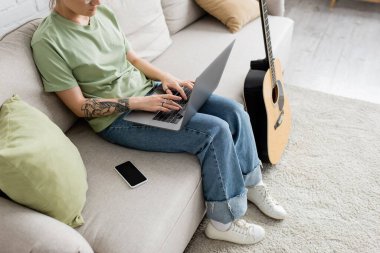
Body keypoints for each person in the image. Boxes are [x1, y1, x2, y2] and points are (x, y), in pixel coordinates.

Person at [32, 0, 287, 245]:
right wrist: (137, 103)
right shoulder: (48, 41)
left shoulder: (103, 14)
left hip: (151, 91)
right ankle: (222, 222)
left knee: (234, 111)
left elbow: (133, 60)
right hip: (117, 118)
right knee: (214, 131)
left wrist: (169, 79)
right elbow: (79, 107)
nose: (97, 2)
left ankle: (252, 183)